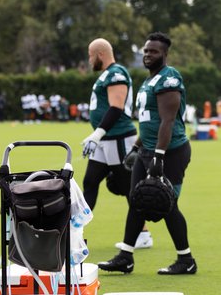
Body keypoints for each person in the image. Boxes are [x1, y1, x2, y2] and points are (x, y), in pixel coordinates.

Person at [98, 32, 197, 275]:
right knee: (136, 201)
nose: (147, 55)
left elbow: (168, 121)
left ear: (164, 54)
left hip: (170, 151)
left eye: (153, 51)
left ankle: (186, 260)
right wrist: (135, 148)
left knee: (166, 202)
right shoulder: (147, 82)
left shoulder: (169, 78)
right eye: (145, 50)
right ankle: (126, 257)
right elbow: (149, 123)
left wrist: (159, 157)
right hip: (147, 150)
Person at [80, 38, 153, 250]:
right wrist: (98, 135)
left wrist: (98, 133)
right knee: (90, 181)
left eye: (90, 54)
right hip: (105, 139)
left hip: (119, 138)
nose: (89, 59)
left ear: (100, 54)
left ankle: (143, 233)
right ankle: (76, 233)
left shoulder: (116, 73)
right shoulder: (106, 75)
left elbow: (117, 107)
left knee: (129, 186)